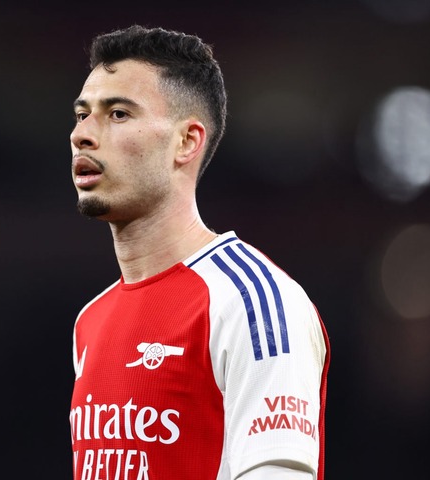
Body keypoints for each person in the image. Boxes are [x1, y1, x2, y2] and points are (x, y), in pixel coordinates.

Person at [68, 25, 330, 480]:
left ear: (187, 142)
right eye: (82, 114)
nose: (83, 135)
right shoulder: (90, 321)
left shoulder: (254, 302)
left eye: (118, 114)